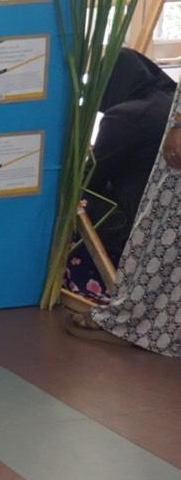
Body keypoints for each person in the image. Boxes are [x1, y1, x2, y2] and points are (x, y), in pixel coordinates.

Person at [71, 80, 180, 356]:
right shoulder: (155, 102)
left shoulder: (127, 116)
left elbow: (93, 176)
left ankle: (135, 322)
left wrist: (178, 124)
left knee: (166, 237)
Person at [88, 49, 179, 263]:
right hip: (168, 223)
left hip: (135, 225)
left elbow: (92, 178)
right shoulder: (172, 105)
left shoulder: (125, 116)